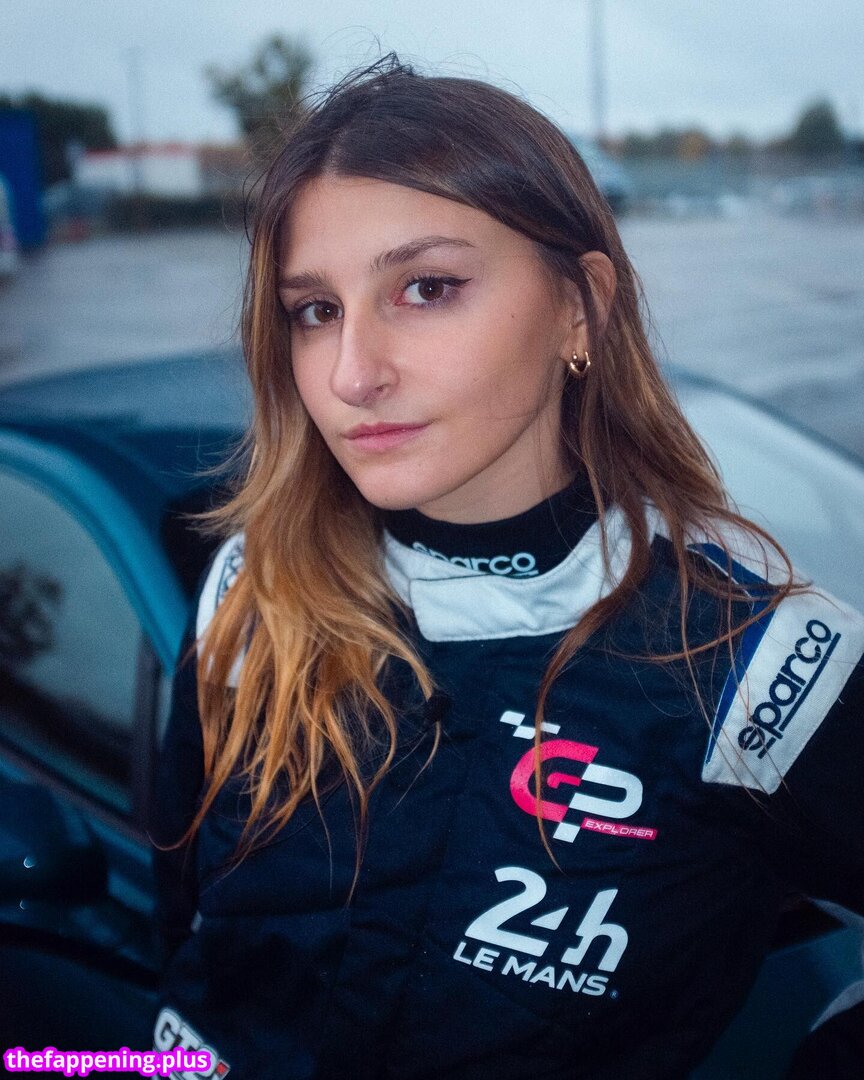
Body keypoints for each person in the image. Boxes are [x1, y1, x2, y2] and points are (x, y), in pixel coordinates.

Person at [149, 55, 864, 1079]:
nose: (352, 373)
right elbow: (180, 925)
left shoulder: (750, 665)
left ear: (580, 305)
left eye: (426, 288)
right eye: (316, 310)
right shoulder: (251, 589)